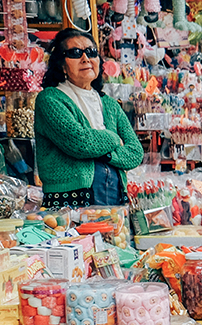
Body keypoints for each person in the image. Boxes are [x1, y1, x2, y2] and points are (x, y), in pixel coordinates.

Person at [35, 29, 144, 208]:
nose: (85, 58)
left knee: (114, 236)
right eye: (75, 53)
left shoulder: (109, 104)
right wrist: (114, 139)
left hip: (114, 194)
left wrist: (104, 152)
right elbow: (80, 143)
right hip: (70, 200)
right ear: (62, 64)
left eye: (91, 52)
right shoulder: (50, 99)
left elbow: (135, 153)